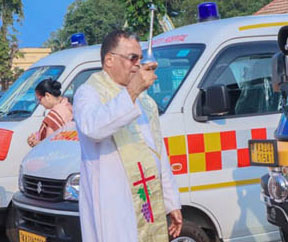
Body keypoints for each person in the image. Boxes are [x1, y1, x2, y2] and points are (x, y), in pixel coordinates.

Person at [73, 30, 182, 242]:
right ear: (109, 60)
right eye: (133, 58)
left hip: (146, 200)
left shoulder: (145, 101)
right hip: (113, 205)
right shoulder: (89, 93)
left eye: (141, 59)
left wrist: (171, 202)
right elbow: (93, 128)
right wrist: (131, 92)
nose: (138, 65)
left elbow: (158, 153)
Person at [27, 78, 73, 147]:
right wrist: (37, 136)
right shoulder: (67, 105)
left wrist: (37, 143)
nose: (40, 103)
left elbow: (50, 144)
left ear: (47, 96)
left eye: (39, 99)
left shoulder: (55, 114)